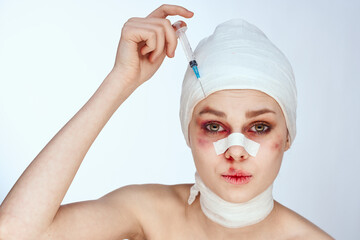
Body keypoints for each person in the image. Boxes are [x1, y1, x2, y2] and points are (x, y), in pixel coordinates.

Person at [0, 4, 333, 239]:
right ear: (187, 131)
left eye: (259, 127)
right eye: (213, 126)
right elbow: (15, 233)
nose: (236, 151)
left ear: (288, 135)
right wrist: (121, 80)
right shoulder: (149, 213)